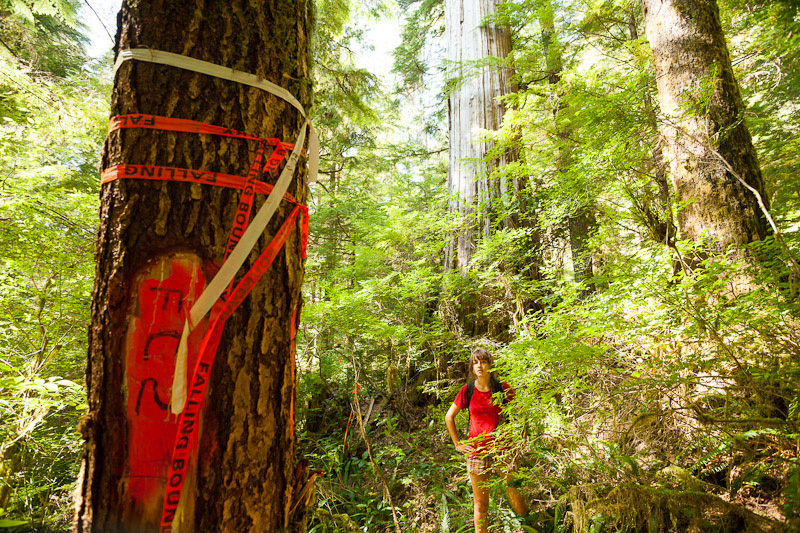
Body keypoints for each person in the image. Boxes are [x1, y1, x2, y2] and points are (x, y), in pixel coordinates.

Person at [444, 348, 528, 532]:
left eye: (483, 361)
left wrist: (521, 438)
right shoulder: (468, 390)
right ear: (472, 367)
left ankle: (528, 527)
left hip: (504, 450)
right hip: (477, 453)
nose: (479, 366)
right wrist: (458, 444)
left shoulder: (502, 388)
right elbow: (449, 417)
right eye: (475, 362)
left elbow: (522, 412)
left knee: (517, 498)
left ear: (490, 364)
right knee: (481, 505)